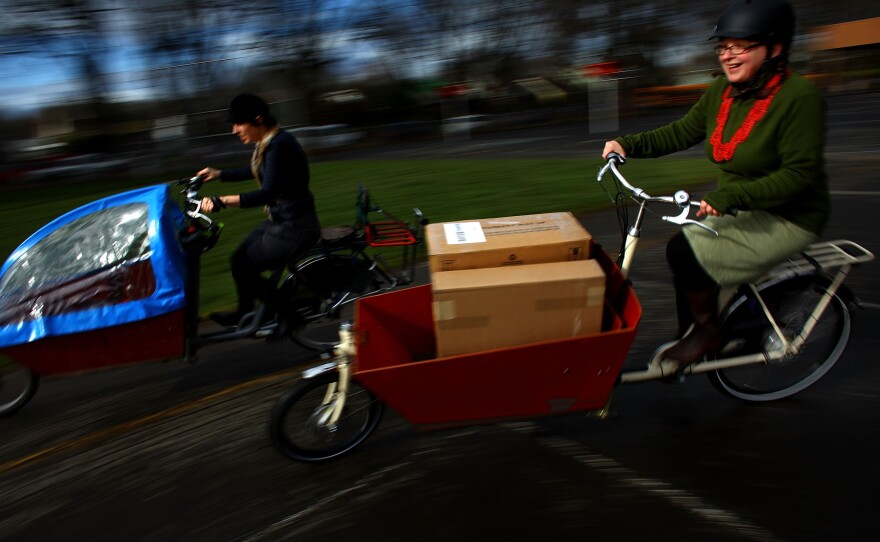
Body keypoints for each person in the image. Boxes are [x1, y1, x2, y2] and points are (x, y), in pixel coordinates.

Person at [602, 0, 830, 371]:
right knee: (681, 250)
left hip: (789, 215)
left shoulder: (800, 99)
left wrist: (730, 195)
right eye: (723, 47)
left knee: (689, 254)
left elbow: (798, 175)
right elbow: (682, 131)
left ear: (774, 49)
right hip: (743, 206)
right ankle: (691, 333)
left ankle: (708, 332)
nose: (728, 56)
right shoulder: (722, 92)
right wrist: (629, 144)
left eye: (740, 46)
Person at [198, 93, 321, 327]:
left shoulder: (279, 146)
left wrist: (221, 201)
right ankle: (246, 314)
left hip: (296, 227)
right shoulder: (268, 143)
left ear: (258, 119)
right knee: (238, 260)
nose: (234, 130)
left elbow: (267, 193)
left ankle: (288, 316)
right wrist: (219, 174)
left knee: (245, 265)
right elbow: (257, 171)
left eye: (238, 123)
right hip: (281, 222)